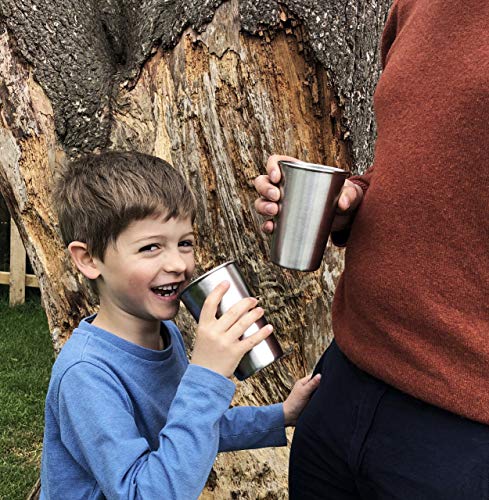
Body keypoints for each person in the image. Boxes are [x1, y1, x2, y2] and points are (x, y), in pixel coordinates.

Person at [254, 0, 488, 498]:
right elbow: (417, 157)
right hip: (344, 376)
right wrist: (355, 197)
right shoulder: (417, 7)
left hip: (465, 429)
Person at [40, 151, 321, 499]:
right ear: (89, 259)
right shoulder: (87, 374)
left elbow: (191, 428)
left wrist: (281, 415)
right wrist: (206, 375)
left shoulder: (164, 335)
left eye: (184, 243)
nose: (177, 263)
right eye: (150, 247)